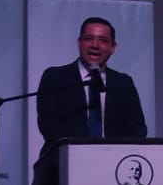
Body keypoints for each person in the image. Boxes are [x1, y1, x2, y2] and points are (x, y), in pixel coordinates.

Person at [36, 16, 147, 158]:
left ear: (113, 47)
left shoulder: (123, 83)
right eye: (89, 38)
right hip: (63, 162)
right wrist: (80, 155)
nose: (95, 45)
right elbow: (49, 125)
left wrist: (119, 155)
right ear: (79, 43)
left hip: (112, 164)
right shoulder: (55, 77)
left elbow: (137, 128)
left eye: (103, 40)